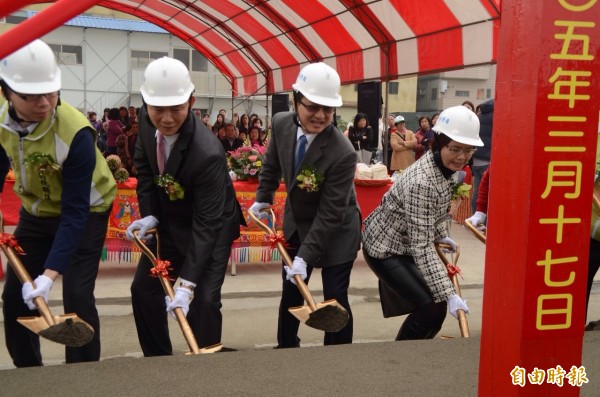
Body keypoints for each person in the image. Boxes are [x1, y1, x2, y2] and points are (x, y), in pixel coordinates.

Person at [0, 39, 116, 367]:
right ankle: (28, 372)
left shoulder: (75, 132)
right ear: (7, 92)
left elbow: (75, 211)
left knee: (76, 294)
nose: (44, 102)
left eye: (50, 92)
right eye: (32, 95)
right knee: (14, 296)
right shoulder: (0, 122)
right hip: (36, 211)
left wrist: (49, 276)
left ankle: (82, 374)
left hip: (87, 210)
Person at [126, 56, 243, 356]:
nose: (166, 118)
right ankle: (159, 359)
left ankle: (205, 367)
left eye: (176, 108)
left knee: (202, 300)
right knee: (143, 290)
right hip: (169, 221)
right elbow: (144, 167)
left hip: (212, 226)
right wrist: (150, 213)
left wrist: (187, 283)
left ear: (191, 102)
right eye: (158, 109)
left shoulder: (208, 153)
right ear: (145, 102)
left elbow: (206, 224)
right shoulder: (143, 119)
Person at [249, 62, 361, 348]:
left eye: (328, 109)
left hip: (336, 229)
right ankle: (286, 347)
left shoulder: (343, 152)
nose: (321, 116)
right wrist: (263, 197)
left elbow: (330, 213)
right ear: (296, 100)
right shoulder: (282, 124)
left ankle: (336, 355)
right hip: (298, 222)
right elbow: (272, 164)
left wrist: (305, 257)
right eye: (312, 107)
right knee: (291, 290)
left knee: (335, 298)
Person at [362, 105, 482, 340]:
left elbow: (435, 210)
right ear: (438, 144)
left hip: (407, 242)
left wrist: (440, 233)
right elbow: (422, 247)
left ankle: (417, 352)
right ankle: (404, 357)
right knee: (432, 305)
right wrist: (450, 295)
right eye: (455, 149)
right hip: (385, 248)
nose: (461, 157)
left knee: (433, 305)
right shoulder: (422, 182)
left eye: (468, 150)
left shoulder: (445, 167)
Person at [470, 99, 494, 211]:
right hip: (487, 160)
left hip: (476, 159)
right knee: (487, 192)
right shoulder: (496, 117)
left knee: (477, 192)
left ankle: (474, 215)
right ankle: (484, 219)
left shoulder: (479, 117)